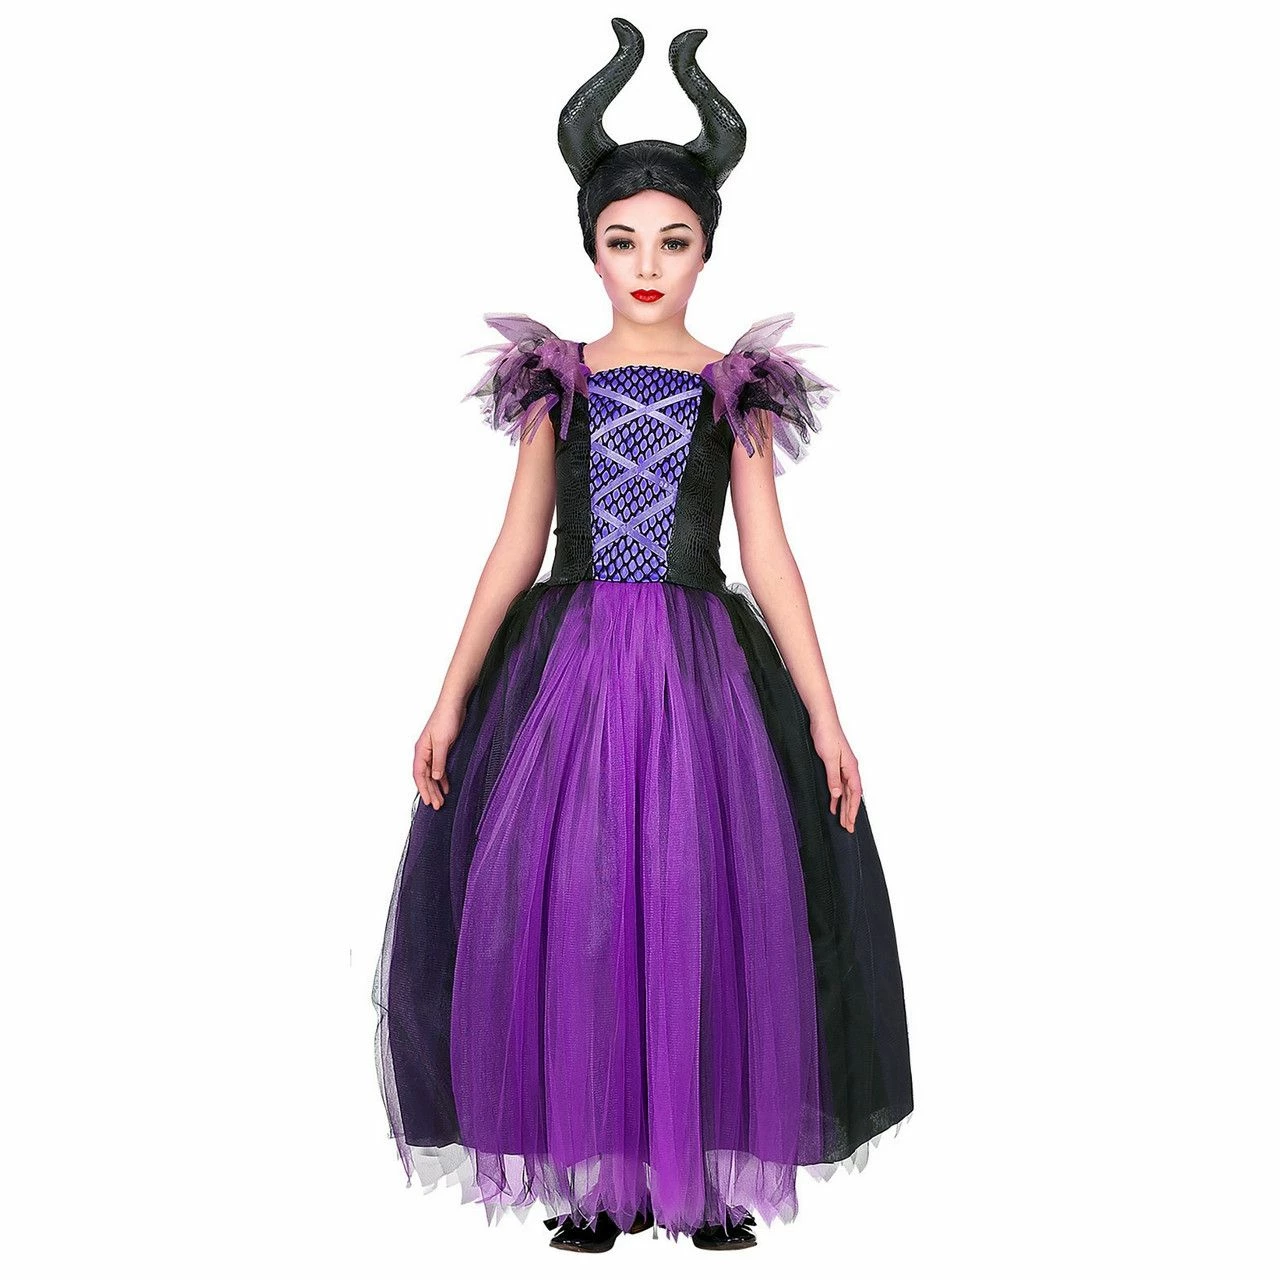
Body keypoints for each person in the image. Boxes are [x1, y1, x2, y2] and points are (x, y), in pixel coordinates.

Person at [372, 16, 913, 1252]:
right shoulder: (555, 378)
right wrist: (448, 697)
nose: (647, 263)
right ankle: (603, 1172)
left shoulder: (736, 386)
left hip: (702, 679)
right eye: (621, 240)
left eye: (672, 239)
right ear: (590, 248)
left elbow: (766, 555)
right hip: (566, 678)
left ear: (707, 245)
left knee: (701, 901)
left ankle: (700, 1176)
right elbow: (516, 543)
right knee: (579, 904)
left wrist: (826, 714)